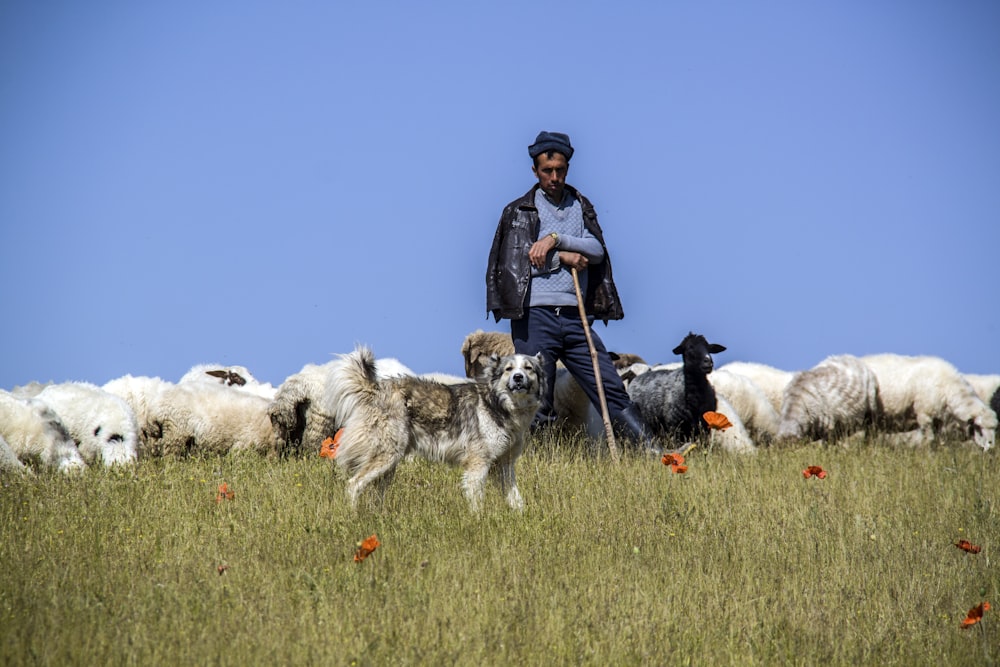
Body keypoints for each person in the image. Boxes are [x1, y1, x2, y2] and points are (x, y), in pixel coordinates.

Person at [486, 130, 660, 454]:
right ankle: (537, 467)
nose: (554, 177)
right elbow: (516, 263)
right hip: (535, 316)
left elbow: (596, 249)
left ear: (567, 168)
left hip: (576, 318)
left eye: (560, 170)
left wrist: (555, 239)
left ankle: (651, 453)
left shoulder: (580, 205)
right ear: (535, 171)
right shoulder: (518, 212)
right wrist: (562, 258)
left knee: (609, 384)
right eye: (547, 171)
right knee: (538, 395)